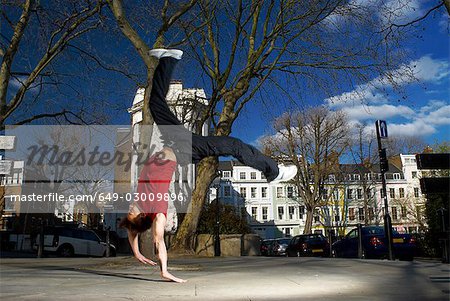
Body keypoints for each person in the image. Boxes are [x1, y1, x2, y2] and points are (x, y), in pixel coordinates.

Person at [119, 49, 297, 283]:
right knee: (232, 145)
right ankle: (274, 172)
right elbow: (158, 240)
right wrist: (164, 271)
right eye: (132, 211)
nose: (130, 205)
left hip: (174, 141)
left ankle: (169, 58)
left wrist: (137, 252)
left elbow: (132, 235)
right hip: (185, 149)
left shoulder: (138, 205)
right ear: (141, 215)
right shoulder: (157, 210)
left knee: (154, 104)